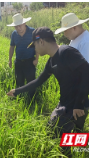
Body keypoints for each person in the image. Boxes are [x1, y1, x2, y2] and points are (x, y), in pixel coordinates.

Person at [7, 27, 89, 157]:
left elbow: (86, 72)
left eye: (34, 45)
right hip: (67, 104)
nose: (35, 49)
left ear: (41, 42)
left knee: (59, 140)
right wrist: (17, 91)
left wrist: (79, 103)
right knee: (66, 136)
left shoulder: (66, 52)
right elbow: (38, 81)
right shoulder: (52, 61)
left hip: (76, 105)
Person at [7, 13, 39, 101]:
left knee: (31, 81)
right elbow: (12, 47)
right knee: (19, 80)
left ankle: (32, 99)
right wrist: (9, 60)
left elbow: (37, 46)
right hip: (18, 61)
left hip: (30, 61)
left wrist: (36, 59)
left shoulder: (33, 32)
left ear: (24, 23)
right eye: (16, 26)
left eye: (20, 26)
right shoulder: (14, 34)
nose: (18, 28)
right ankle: (20, 98)